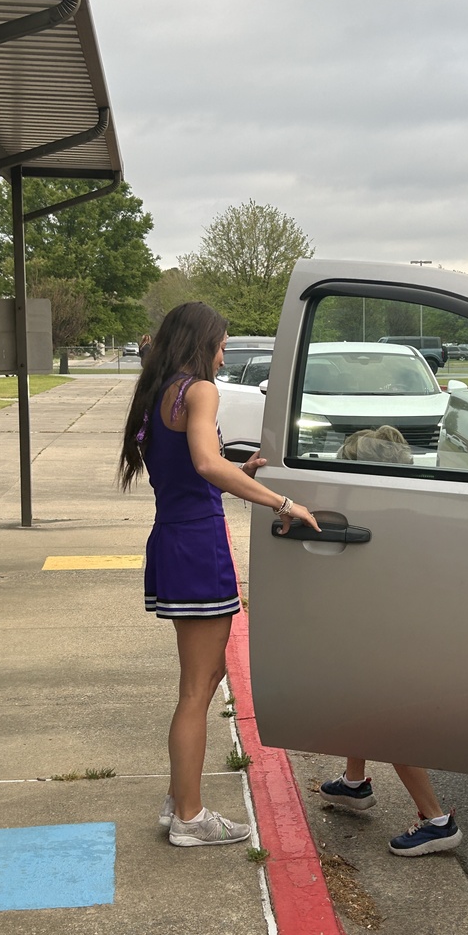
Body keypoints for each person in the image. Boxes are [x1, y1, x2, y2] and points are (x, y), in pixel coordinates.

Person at [118, 301, 319, 848]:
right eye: (223, 343)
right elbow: (207, 463)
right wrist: (282, 501)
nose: (225, 351)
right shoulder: (198, 391)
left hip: (172, 539)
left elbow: (195, 466)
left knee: (196, 686)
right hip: (199, 547)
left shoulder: (161, 391)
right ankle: (189, 816)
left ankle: (177, 800)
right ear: (201, 342)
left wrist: (242, 469)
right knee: (198, 689)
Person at [322, 426, 463, 857]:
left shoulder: (374, 520)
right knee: (360, 704)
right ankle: (353, 782)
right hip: (403, 631)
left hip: (393, 638)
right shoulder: (412, 509)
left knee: (390, 725)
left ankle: (436, 820)